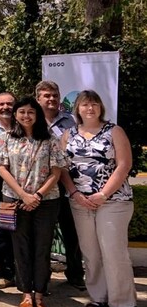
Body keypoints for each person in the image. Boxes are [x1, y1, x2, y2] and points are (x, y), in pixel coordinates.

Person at [60, 91, 138, 307]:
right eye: (85, 104)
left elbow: (124, 165)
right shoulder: (68, 134)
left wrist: (103, 194)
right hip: (80, 202)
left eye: (94, 104)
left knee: (114, 252)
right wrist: (75, 193)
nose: (90, 108)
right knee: (91, 253)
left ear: (101, 107)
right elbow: (62, 168)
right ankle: (98, 297)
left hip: (113, 201)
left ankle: (124, 302)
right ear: (77, 109)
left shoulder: (114, 131)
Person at [0, 96, 67, 307]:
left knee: (42, 247)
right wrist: (23, 195)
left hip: (46, 201)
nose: (26, 116)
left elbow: (56, 172)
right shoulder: (6, 137)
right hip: (14, 200)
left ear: (37, 115)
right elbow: (1, 168)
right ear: (15, 115)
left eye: (31, 112)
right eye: (21, 112)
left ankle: (40, 293)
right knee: (20, 246)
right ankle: (25, 293)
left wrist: (37, 195)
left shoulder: (50, 139)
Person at [36, 79, 85, 290]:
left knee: (72, 231)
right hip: (39, 185)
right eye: (47, 96)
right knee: (43, 234)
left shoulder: (72, 121)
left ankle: (75, 274)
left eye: (55, 95)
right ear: (38, 98)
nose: (52, 99)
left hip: (66, 182)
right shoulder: (31, 120)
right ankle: (42, 278)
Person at [0, 92, 17, 288]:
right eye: (1, 104)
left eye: (10, 104)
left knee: (16, 231)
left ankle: (16, 273)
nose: (6, 107)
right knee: (0, 231)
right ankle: (0, 271)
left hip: (21, 188)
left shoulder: (24, 129)